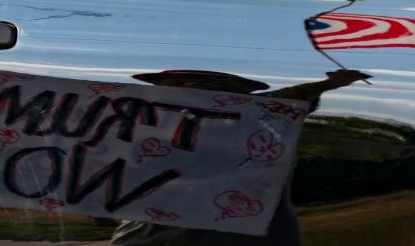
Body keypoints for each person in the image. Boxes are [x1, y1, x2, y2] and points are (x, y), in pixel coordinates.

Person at [109, 68, 371, 246]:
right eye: (182, 91)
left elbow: (296, 97)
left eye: (209, 92)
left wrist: (331, 83)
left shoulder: (263, 123)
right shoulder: (140, 128)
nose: (195, 99)